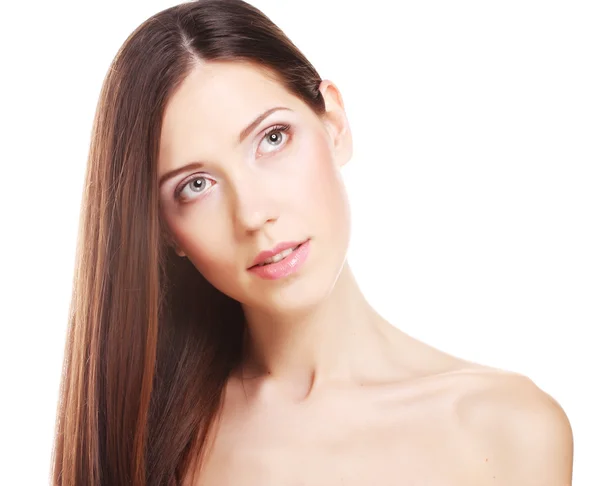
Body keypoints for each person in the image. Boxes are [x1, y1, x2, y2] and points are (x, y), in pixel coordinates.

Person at [51, 0, 574, 484]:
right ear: (166, 231)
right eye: (196, 185)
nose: (254, 214)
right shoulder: (140, 440)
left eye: (272, 139)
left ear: (334, 122)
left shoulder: (507, 430)